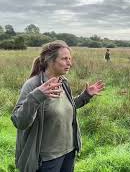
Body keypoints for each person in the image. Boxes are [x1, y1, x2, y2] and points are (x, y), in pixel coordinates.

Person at [11, 40, 104, 172]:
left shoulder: (63, 82)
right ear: (50, 60)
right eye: (64, 59)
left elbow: (65, 107)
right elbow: (19, 121)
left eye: (70, 59)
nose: (69, 63)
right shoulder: (33, 85)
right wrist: (37, 96)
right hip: (47, 158)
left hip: (69, 152)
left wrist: (85, 96)